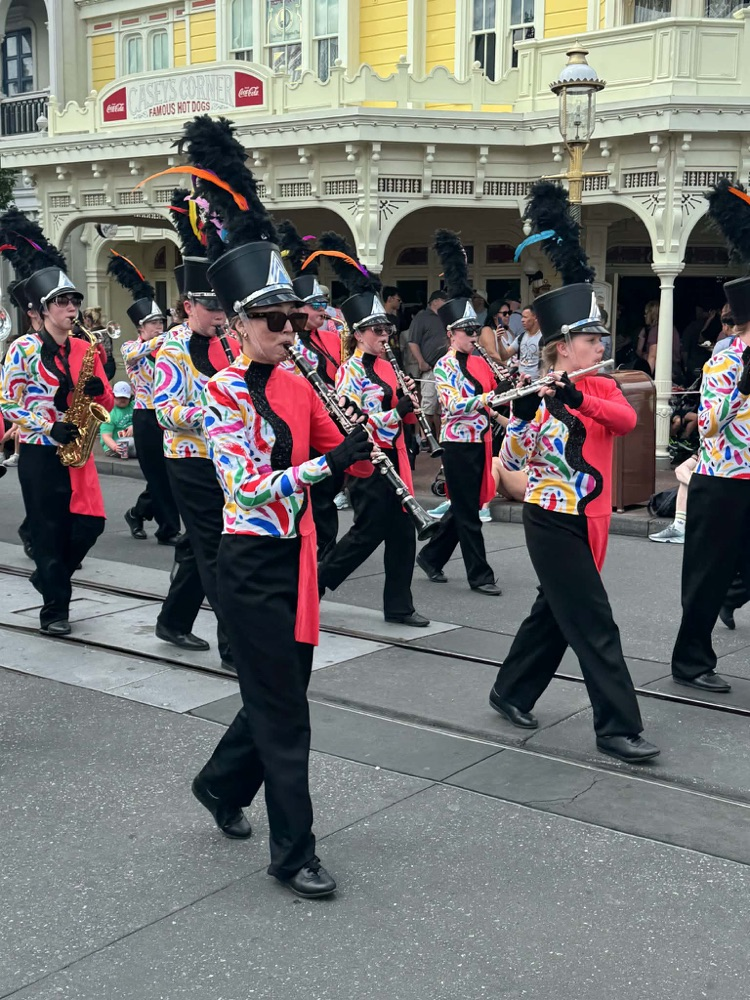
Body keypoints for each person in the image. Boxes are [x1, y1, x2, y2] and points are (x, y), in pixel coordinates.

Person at [184, 113, 373, 899]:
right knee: (287, 718)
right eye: (271, 320)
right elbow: (249, 487)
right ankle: (294, 852)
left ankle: (221, 784)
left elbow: (342, 440)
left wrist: (367, 446)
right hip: (253, 562)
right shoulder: (219, 393)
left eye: (292, 318)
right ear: (236, 323)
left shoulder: (299, 378)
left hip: (296, 558)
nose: (285, 330)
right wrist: (324, 467)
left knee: (279, 695)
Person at [488, 180, 658, 764]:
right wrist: (524, 410)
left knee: (553, 614)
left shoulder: (602, 386)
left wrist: (573, 400)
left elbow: (622, 420)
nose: (598, 345)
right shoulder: (539, 389)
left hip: (592, 518)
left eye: (600, 338)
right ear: (563, 347)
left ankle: (509, 689)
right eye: (590, 339)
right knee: (593, 623)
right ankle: (615, 727)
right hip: (551, 517)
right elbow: (515, 460)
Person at [318, 238, 430, 628]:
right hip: (369, 459)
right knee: (367, 533)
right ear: (360, 333)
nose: (386, 336)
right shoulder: (349, 370)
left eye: (387, 329)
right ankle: (317, 580)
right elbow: (354, 422)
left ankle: (399, 606)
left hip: (396, 455)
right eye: (378, 330)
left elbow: (398, 411)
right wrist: (398, 410)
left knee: (402, 534)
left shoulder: (388, 364)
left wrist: (409, 408)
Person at [0, 261, 114, 635]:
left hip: (77, 450)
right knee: (48, 530)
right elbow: (7, 402)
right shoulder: (24, 348)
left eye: (74, 301)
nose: (71, 308)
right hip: (40, 450)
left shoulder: (85, 347)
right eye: (62, 302)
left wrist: (102, 392)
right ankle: (54, 610)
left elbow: (106, 402)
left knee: (90, 524)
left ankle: (50, 580)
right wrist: (48, 424)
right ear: (42, 311)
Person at [669, 183, 750, 693]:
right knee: (704, 574)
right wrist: (742, 390)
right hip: (722, 479)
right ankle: (691, 660)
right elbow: (708, 424)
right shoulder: (725, 358)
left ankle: (733, 591)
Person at [416, 230, 500, 595]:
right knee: (468, 512)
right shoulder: (445, 365)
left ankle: (432, 557)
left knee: (467, 504)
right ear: (452, 334)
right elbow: (452, 405)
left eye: (474, 330)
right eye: (467, 332)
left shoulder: (477, 360)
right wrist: (484, 403)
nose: (473, 336)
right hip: (457, 443)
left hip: (479, 440)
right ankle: (480, 575)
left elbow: (490, 395)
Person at [276, 221, 346, 559]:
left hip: (329, 421)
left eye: (323, 303)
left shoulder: (330, 335)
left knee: (328, 489)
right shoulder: (287, 342)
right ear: (299, 308)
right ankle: (316, 546)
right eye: (315, 305)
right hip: (301, 424)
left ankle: (324, 545)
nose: (322, 310)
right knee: (313, 490)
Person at [112, 251, 182, 545]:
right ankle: (168, 529)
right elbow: (130, 354)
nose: (159, 325)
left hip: (169, 414)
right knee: (157, 474)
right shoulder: (133, 347)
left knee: (170, 474)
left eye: (160, 321)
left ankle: (138, 512)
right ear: (141, 327)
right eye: (152, 323)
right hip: (145, 415)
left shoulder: (166, 348)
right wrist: (161, 339)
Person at [407, 290, 448, 442]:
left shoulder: (445, 317)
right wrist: (421, 362)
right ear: (436, 301)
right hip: (430, 368)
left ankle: (439, 438)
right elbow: (412, 342)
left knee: (441, 408)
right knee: (428, 406)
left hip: (446, 368)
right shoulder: (422, 317)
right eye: (444, 300)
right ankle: (425, 438)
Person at [636, 300, 681, 381]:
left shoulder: (656, 330)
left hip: (663, 372)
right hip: (674, 369)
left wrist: (647, 380)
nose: (644, 316)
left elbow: (653, 356)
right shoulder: (671, 328)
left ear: (652, 315)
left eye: (646, 313)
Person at [497, 304, 543, 379]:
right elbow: (504, 356)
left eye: (525, 317)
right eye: (522, 317)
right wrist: (499, 340)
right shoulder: (521, 338)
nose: (522, 320)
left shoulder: (544, 338)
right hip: (521, 382)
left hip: (537, 382)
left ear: (535, 318)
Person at [100, 380, 135, 458]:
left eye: (125, 397)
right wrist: (115, 447)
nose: (122, 399)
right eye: (119, 397)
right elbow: (106, 436)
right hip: (113, 446)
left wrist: (135, 426)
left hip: (131, 441)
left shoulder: (133, 406)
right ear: (113, 396)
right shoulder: (110, 412)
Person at [82, 305, 116, 380]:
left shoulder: (89, 334)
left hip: (100, 365)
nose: (84, 321)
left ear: (88, 319)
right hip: (110, 364)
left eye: (84, 319)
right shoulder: (106, 330)